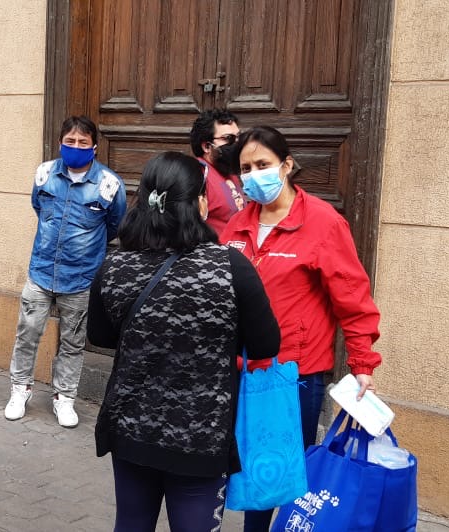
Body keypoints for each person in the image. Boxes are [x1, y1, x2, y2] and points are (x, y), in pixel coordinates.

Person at [88, 151, 281, 531]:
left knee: (131, 523)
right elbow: (266, 346)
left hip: (131, 428)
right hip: (201, 437)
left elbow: (100, 336)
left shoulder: (115, 264)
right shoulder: (231, 267)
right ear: (200, 204)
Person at [219, 126, 382, 532]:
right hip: (238, 369)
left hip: (292, 373)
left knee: (281, 476)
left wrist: (362, 363)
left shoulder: (324, 224)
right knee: (239, 464)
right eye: (245, 168)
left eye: (263, 165)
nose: (254, 175)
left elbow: (353, 298)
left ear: (287, 165)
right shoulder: (238, 224)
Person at [3, 116, 127, 428]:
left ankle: (64, 397)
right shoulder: (45, 174)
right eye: (69, 141)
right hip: (41, 272)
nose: (75, 147)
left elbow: (114, 225)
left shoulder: (109, 185)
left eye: (82, 142)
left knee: (73, 341)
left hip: (81, 278)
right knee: (28, 334)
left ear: (94, 147)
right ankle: (20, 390)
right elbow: (38, 209)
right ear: (61, 143)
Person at [189, 108, 245, 234]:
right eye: (228, 138)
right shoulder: (196, 175)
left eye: (238, 137)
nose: (236, 143)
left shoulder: (229, 170)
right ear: (207, 146)